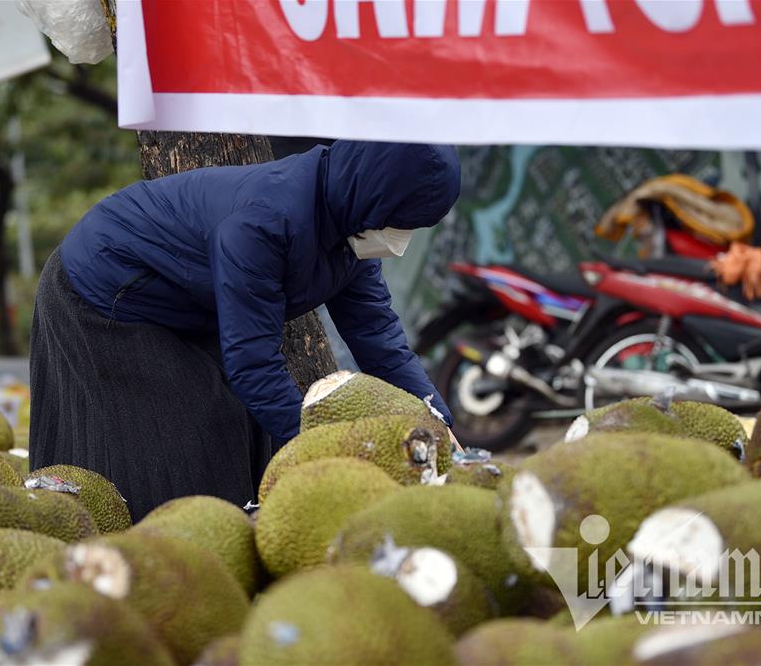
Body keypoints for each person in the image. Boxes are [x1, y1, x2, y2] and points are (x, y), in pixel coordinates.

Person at [29, 141, 461, 520]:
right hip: (106, 290)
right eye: (400, 225)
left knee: (249, 431)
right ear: (374, 198)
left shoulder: (353, 234)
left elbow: (383, 346)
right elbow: (253, 365)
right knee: (192, 441)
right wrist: (323, 456)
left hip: (183, 299)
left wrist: (442, 427)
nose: (399, 242)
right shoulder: (266, 222)